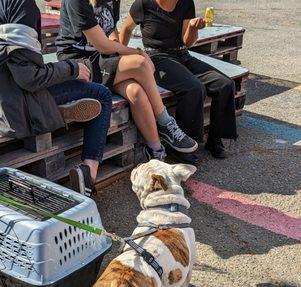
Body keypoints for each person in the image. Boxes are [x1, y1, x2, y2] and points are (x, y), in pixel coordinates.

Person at [55, 0, 198, 162]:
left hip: (101, 59)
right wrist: (137, 52)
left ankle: (156, 152)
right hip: (78, 64)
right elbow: (102, 45)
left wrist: (119, 50)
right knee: (140, 62)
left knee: (136, 92)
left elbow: (111, 30)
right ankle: (166, 122)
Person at [0, 0, 113, 196]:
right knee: (101, 94)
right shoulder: (20, 5)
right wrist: (72, 68)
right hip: (17, 106)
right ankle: (88, 174)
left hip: (7, 96)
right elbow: (30, 77)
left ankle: (58, 110)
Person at [120, 0, 238, 159]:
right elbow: (126, 29)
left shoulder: (186, 2)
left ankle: (215, 140)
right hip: (156, 58)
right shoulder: (143, 3)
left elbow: (187, 42)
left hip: (182, 54)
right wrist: (121, 56)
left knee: (225, 84)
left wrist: (193, 28)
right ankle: (182, 148)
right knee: (193, 87)